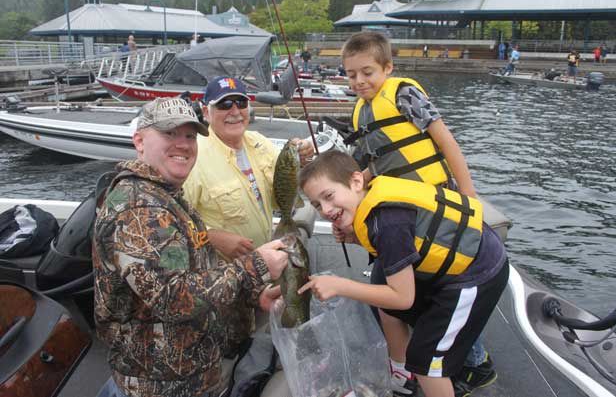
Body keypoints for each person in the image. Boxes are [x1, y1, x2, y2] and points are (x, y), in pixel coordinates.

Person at [93, 97, 288, 397]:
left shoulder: (167, 195)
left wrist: (252, 295)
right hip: (160, 387)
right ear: (139, 141)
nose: (183, 144)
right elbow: (174, 298)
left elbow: (200, 269)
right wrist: (256, 266)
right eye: (169, 134)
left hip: (193, 374)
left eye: (189, 136)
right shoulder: (138, 208)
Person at [340, 31, 493, 396]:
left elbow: (446, 142)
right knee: (399, 287)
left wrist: (469, 197)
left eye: (367, 72)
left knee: (444, 284)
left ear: (387, 68)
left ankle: (476, 364)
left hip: (435, 206)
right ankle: (407, 369)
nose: (359, 81)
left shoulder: (404, 93)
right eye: (350, 75)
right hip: (404, 214)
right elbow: (369, 169)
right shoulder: (361, 111)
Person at [298, 150, 509, 397]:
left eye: (329, 196)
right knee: (381, 286)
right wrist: (357, 239)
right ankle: (401, 373)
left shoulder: (388, 223)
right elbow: (402, 246)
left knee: (426, 360)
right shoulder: (372, 205)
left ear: (356, 182)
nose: (325, 209)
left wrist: (339, 285)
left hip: (476, 274)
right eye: (316, 204)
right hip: (454, 264)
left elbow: (403, 297)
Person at [183, 76, 314, 349]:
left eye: (240, 102)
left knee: (259, 339)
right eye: (224, 104)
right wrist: (211, 237)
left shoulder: (259, 143)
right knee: (227, 345)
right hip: (220, 278)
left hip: (264, 268)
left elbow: (282, 196)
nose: (234, 111)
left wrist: (301, 161)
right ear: (206, 110)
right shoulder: (195, 155)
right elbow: (172, 222)